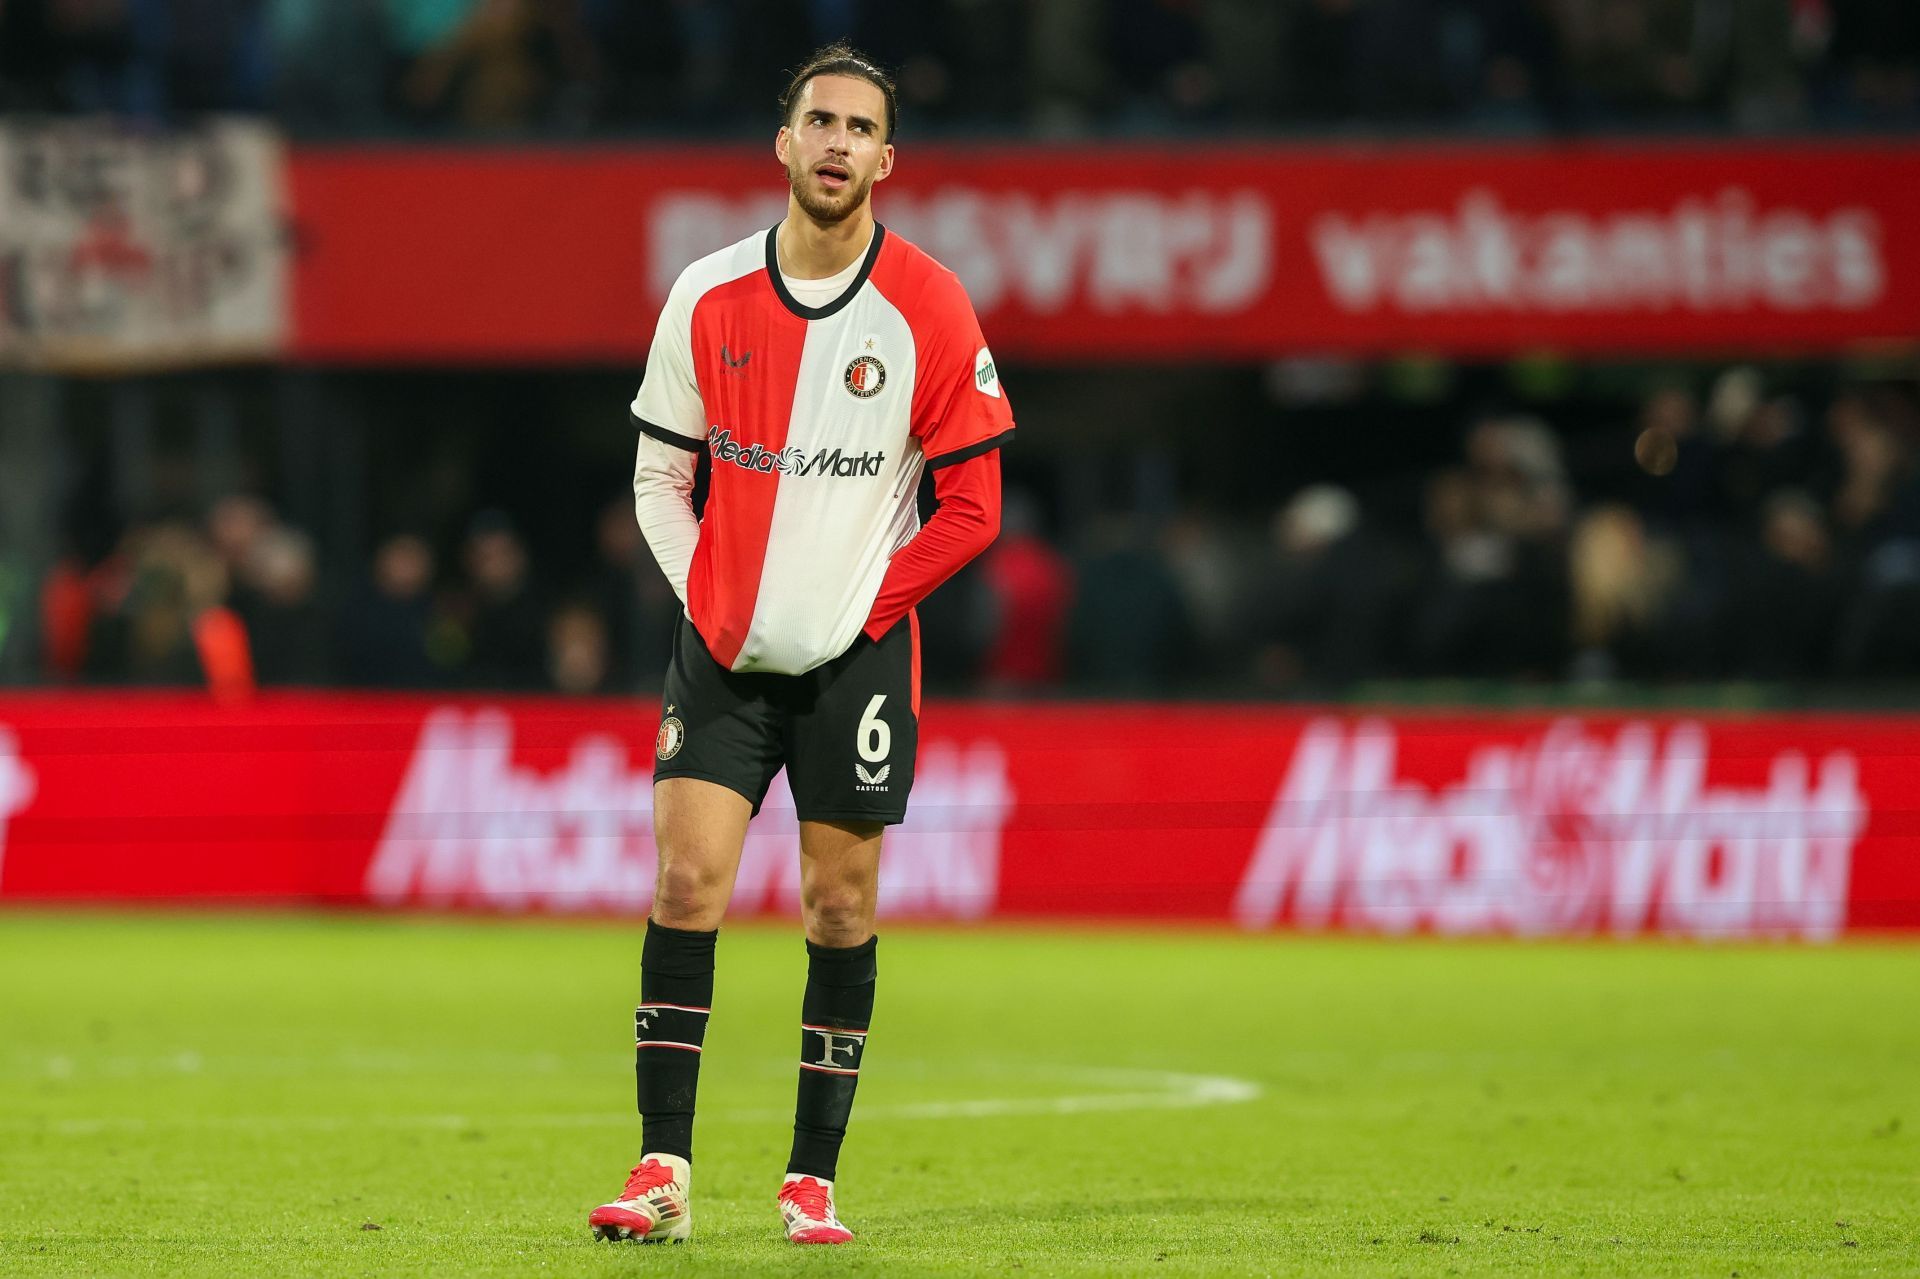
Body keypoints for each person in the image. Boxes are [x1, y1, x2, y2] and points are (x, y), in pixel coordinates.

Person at [588, 43, 1013, 1247]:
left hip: (856, 660)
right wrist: (705, 591)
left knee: (839, 903)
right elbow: (660, 477)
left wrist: (865, 612)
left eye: (858, 127)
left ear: (887, 156)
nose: (835, 142)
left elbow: (973, 509)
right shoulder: (708, 293)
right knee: (685, 883)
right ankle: (661, 1170)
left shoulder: (927, 304)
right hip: (722, 650)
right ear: (783, 143)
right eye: (817, 120)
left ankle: (810, 1177)